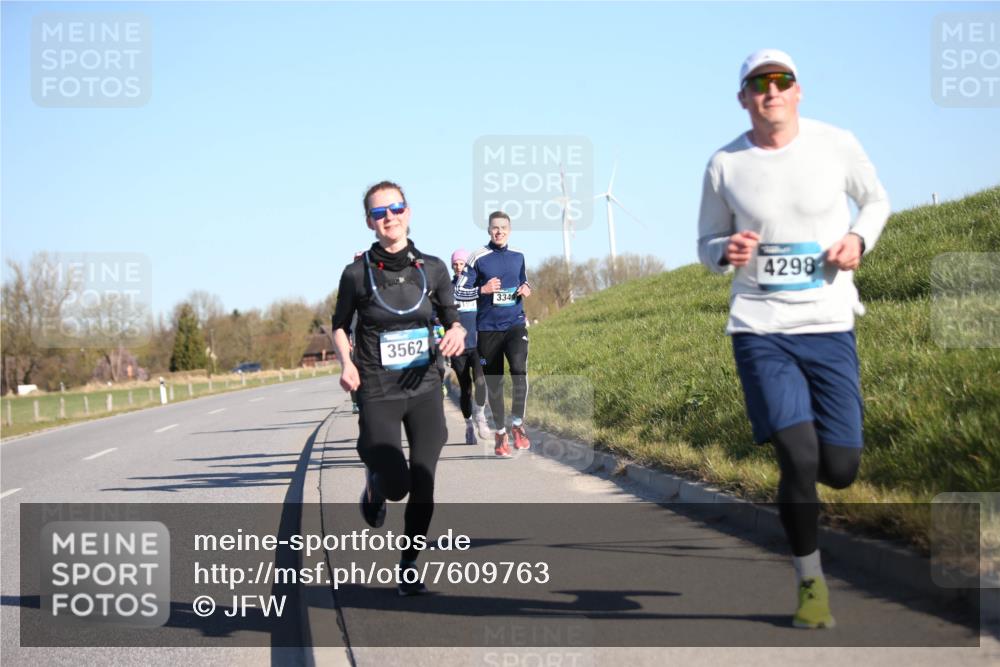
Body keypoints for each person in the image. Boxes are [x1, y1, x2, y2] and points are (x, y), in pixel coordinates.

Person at [697, 49, 889, 629]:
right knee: (798, 457)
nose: (771, 91)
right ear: (743, 98)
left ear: (798, 91)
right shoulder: (725, 165)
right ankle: (811, 583)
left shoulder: (836, 144)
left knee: (841, 466)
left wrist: (857, 239)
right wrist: (723, 252)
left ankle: (817, 536)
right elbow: (706, 243)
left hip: (829, 322)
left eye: (781, 81)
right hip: (760, 327)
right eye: (759, 83)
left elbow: (876, 200)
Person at [332, 180, 465, 596]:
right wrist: (346, 363)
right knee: (397, 486)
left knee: (423, 479)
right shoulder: (356, 274)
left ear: (408, 212)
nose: (389, 217)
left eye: (396, 208)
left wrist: (457, 332)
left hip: (424, 384)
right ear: (369, 222)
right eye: (379, 212)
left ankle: (408, 564)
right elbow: (338, 325)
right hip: (377, 387)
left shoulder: (434, 268)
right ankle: (376, 479)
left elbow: (452, 316)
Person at [454, 211, 532, 458]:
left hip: (515, 324)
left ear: (509, 230)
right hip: (487, 329)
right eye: (494, 228)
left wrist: (526, 288)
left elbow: (525, 281)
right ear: (489, 230)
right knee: (494, 384)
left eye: (503, 228)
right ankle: (500, 432)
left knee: (519, 370)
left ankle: (517, 424)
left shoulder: (518, 256)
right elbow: (459, 291)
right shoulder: (478, 258)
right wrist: (483, 289)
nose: (499, 232)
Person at [449, 248, 491, 444]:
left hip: (478, 344)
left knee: (481, 381)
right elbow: (436, 313)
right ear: (452, 266)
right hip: (458, 348)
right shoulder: (447, 289)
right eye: (456, 264)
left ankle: (481, 415)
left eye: (462, 264)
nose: (458, 267)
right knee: (466, 388)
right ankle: (468, 426)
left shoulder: (476, 287)